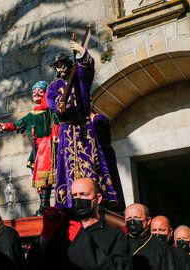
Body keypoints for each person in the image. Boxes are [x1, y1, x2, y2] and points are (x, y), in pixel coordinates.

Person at [46, 40, 118, 209]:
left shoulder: (80, 78)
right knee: (67, 164)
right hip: (67, 130)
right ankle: (69, 201)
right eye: (57, 65)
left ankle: (96, 197)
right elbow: (51, 102)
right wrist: (60, 105)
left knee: (91, 162)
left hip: (84, 128)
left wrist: (81, 51)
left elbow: (88, 68)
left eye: (63, 64)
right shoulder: (53, 86)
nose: (61, 68)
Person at [0, 81, 59, 215]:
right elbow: (18, 124)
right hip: (37, 150)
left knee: (47, 177)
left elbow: (57, 123)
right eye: (34, 91)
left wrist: (54, 136)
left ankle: (48, 204)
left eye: (40, 91)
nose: (36, 93)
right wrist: (4, 126)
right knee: (36, 176)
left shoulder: (50, 111)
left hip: (49, 147)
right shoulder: (31, 115)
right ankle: (44, 205)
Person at [90, 110, 126, 212]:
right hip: (98, 154)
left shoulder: (99, 119)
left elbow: (98, 135)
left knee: (111, 177)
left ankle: (116, 204)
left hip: (105, 153)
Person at [125, 204, 170, 270]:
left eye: (136, 217)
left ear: (148, 221)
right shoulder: (118, 243)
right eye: (129, 218)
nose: (132, 222)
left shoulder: (160, 247)